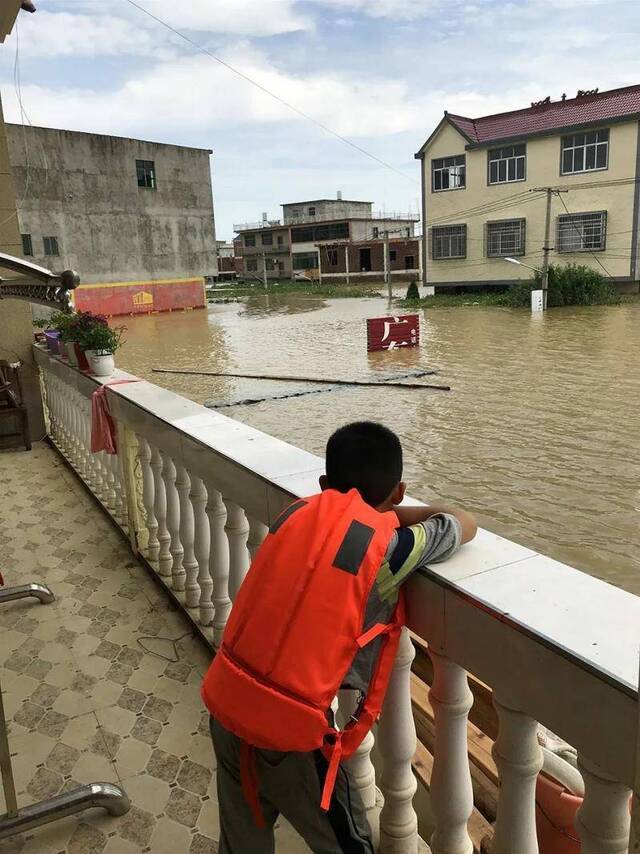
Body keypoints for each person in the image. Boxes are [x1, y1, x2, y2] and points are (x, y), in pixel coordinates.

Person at [202, 421, 477, 853]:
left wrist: (364, 506)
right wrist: (388, 512)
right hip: (292, 736)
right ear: (399, 492)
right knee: (347, 845)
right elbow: (463, 522)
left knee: (240, 842)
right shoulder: (389, 550)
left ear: (324, 483)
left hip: (229, 704)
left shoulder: (293, 517)